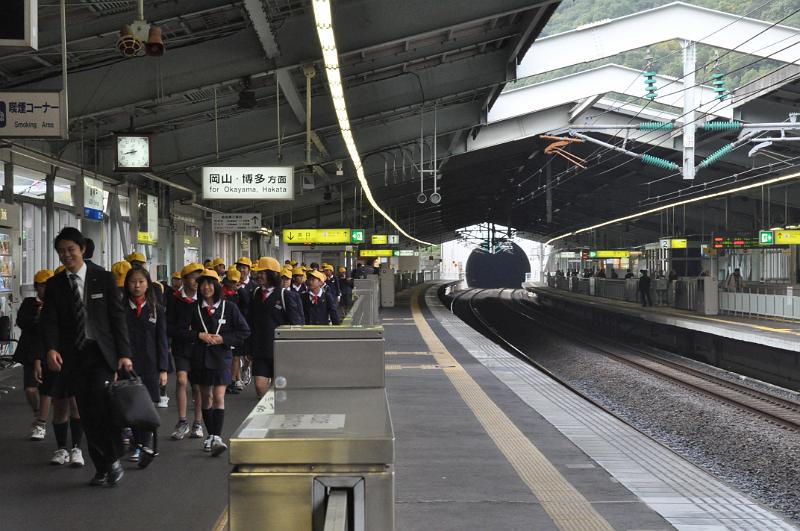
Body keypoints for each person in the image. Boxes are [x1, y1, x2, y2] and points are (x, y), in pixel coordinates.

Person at [43, 227, 132, 486]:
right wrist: (50, 348)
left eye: (71, 250)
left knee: (102, 408)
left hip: (101, 354)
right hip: (73, 357)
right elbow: (49, 322)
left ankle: (112, 459)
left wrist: (124, 354)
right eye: (61, 252)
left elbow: (118, 319)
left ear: (82, 249)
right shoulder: (55, 284)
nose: (66, 255)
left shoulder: (102, 279)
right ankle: (103, 466)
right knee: (86, 413)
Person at [181, 269, 250, 456]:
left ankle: (216, 437)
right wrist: (198, 335)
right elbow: (178, 331)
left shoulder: (229, 307)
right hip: (200, 358)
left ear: (217, 286)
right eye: (202, 283)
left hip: (221, 357)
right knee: (206, 398)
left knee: (219, 396)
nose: (206, 287)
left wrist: (223, 339)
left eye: (210, 283)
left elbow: (244, 331)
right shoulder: (193, 308)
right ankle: (210, 435)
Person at [122, 267, 169, 468]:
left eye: (141, 281)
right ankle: (136, 443)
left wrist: (164, 369)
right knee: (131, 408)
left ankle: (144, 445)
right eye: (133, 282)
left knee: (147, 408)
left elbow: (162, 340)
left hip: (150, 364)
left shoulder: (156, 309)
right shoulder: (120, 308)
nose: (137, 285)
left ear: (148, 284)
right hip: (127, 365)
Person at [249, 257, 304, 398]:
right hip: (260, 348)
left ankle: (273, 415)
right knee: (259, 386)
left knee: (277, 387)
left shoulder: (285, 295)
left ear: (272, 274)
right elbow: (251, 321)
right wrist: (248, 346)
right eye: (258, 272)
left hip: (279, 348)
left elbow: (296, 323)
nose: (259, 275)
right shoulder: (255, 293)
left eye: (263, 272)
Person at [167, 262, 206, 441]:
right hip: (181, 347)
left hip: (199, 347)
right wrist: (190, 333)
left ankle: (198, 422)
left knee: (197, 386)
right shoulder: (175, 299)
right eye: (193, 278)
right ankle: (182, 421)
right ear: (184, 280)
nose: (197, 282)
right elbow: (170, 326)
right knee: (182, 381)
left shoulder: (204, 300)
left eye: (200, 278)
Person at [15, 269, 53, 441]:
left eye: (48, 285)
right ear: (37, 287)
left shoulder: (56, 303)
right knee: (30, 389)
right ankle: (37, 412)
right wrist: (37, 316)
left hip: (50, 350)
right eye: (42, 286)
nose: (45, 289)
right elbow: (21, 322)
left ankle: (41, 423)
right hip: (30, 351)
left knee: (46, 389)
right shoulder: (29, 303)